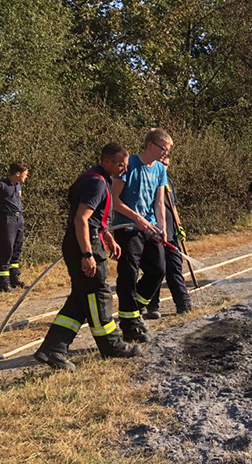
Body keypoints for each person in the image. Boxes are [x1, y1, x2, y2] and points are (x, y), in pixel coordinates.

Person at [33, 143, 140, 371]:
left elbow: (94, 221)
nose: (124, 169)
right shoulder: (96, 183)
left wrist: (108, 237)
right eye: (120, 164)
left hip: (88, 241)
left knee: (81, 299)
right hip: (84, 245)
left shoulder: (98, 179)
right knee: (98, 294)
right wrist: (87, 254)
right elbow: (81, 219)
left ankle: (53, 349)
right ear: (107, 161)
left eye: (126, 165)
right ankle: (111, 346)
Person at [112, 128, 171, 344]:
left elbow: (159, 203)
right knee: (129, 273)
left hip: (150, 229)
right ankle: (129, 325)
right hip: (127, 228)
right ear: (150, 146)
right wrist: (138, 219)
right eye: (164, 149)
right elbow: (114, 200)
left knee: (158, 270)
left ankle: (133, 311)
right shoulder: (129, 166)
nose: (166, 155)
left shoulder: (160, 170)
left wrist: (161, 228)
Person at [144, 154, 192, 319]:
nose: (164, 165)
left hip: (171, 233)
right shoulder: (149, 181)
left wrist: (179, 226)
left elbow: (173, 207)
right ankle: (152, 305)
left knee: (175, 267)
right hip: (154, 234)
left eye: (166, 163)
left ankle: (183, 304)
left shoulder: (168, 182)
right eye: (161, 162)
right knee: (157, 269)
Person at [0, 162, 29, 292]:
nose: (26, 176)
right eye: (25, 174)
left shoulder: (18, 185)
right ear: (17, 174)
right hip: (8, 219)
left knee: (17, 249)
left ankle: (14, 278)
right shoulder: (2, 185)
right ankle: (3, 282)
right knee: (7, 250)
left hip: (19, 218)